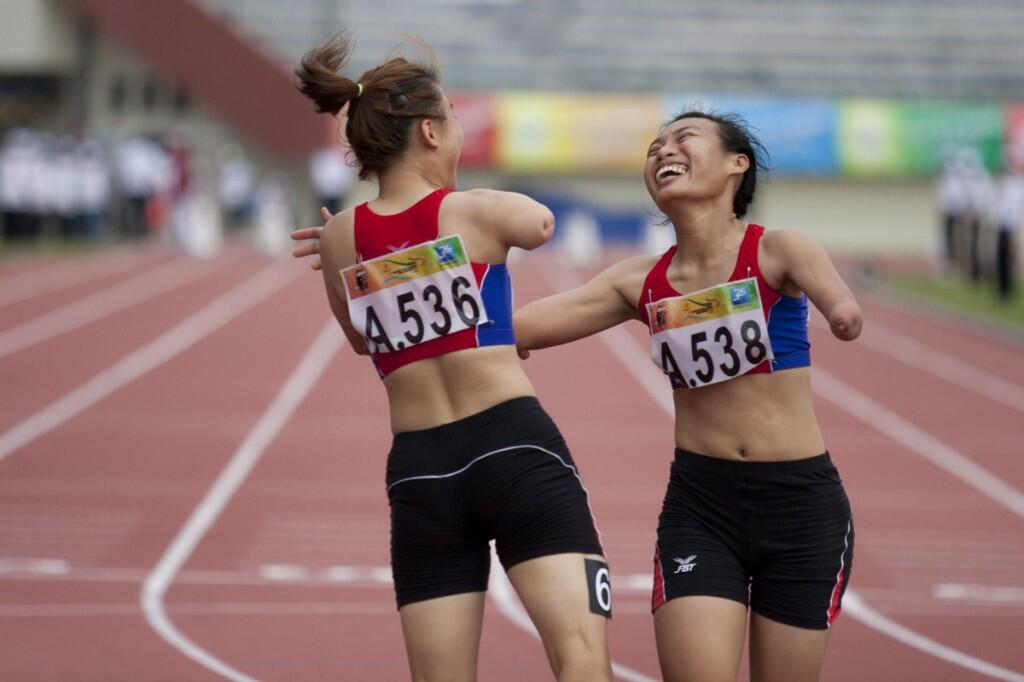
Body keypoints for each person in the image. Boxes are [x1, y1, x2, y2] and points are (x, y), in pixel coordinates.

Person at [293, 110, 862, 682]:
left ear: (738, 164)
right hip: (702, 508)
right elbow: (493, 329)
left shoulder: (780, 251)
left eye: (683, 139)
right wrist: (384, 267)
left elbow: (841, 307)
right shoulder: (637, 282)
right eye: (654, 146)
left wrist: (839, 312)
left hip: (800, 506)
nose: (663, 151)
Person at [292, 33, 612, 682]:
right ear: (431, 134)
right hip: (513, 448)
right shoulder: (470, 212)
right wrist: (472, 208)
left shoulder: (338, 239)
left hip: (421, 471)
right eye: (457, 123)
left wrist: (373, 257)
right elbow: (541, 224)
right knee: (579, 654)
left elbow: (362, 341)